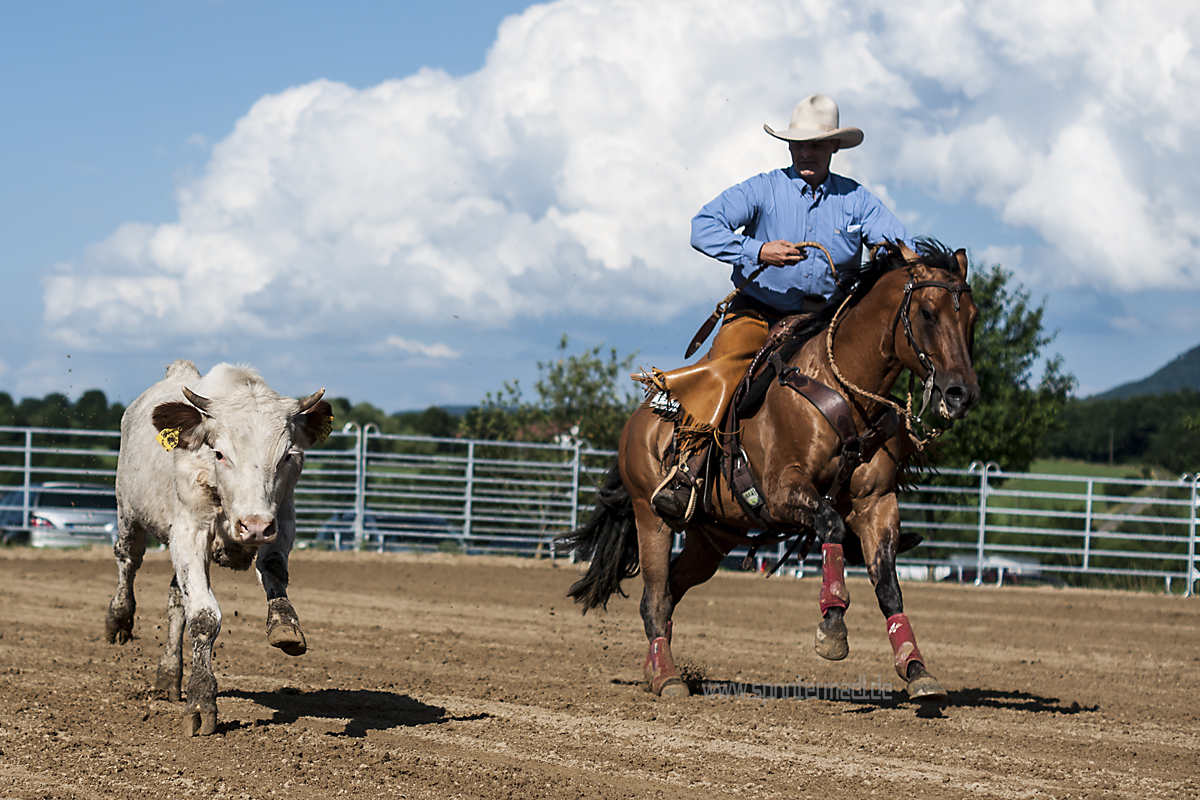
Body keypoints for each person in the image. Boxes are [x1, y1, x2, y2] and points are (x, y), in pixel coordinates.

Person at [644, 93, 912, 523]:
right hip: (758, 312)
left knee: (877, 391)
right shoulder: (762, 188)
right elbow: (702, 227)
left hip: (827, 323)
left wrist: (900, 261)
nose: (805, 152)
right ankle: (687, 471)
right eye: (798, 144)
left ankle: (873, 500)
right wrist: (757, 249)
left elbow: (902, 249)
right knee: (727, 370)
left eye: (816, 144)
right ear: (789, 147)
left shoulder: (857, 201)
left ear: (833, 148)